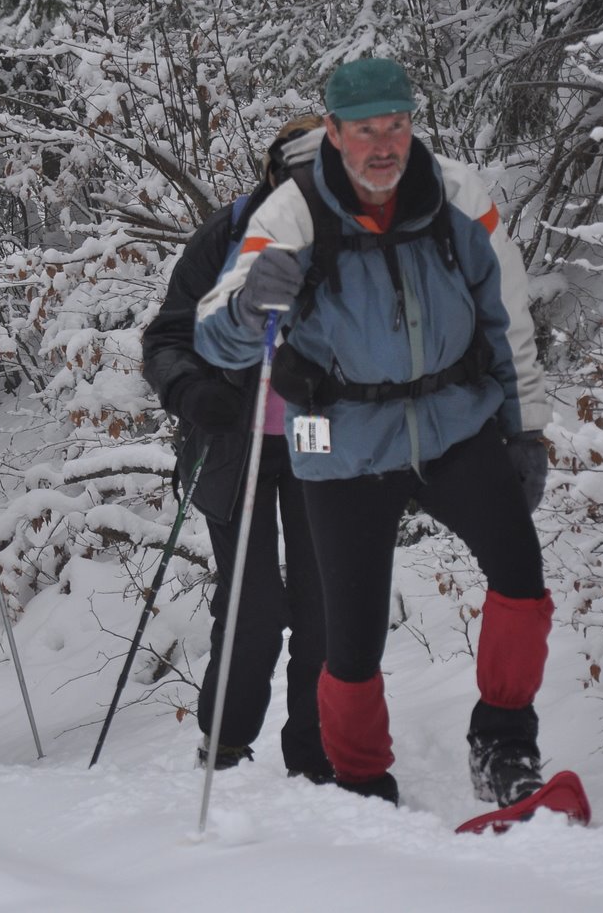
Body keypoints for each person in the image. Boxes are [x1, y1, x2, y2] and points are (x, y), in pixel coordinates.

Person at [193, 58, 553, 809]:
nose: (384, 144)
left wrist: (525, 430)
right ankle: (361, 782)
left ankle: (504, 742)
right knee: (350, 637)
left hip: (455, 422)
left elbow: (507, 314)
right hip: (344, 442)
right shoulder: (289, 216)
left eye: (397, 124)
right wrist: (250, 308)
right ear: (334, 131)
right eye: (365, 129)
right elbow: (214, 336)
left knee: (520, 575)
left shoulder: (458, 194)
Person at [142, 117, 334, 782]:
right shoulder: (226, 236)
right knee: (254, 608)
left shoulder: (355, 241)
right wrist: (191, 390)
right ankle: (223, 745)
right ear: (274, 175)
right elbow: (167, 337)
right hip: (233, 437)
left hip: (315, 435)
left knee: (323, 602)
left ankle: (316, 753)